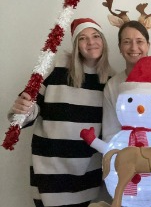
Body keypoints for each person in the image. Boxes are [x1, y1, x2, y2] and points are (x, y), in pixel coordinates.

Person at [8, 18, 114, 207]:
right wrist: (23, 109)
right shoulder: (56, 71)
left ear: (104, 41)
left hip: (87, 170)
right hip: (50, 169)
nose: (91, 42)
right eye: (83, 38)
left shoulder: (111, 81)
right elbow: (29, 109)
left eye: (96, 36)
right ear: (76, 45)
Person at [102, 20, 151, 142]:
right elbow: (110, 131)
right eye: (127, 42)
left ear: (148, 46)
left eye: (139, 41)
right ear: (119, 47)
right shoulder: (113, 85)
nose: (134, 47)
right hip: (126, 158)